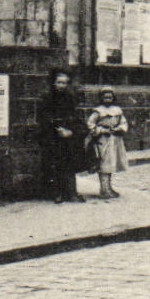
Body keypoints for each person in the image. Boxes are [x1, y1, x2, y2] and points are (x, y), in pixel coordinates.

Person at [39, 70, 87, 203]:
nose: (62, 85)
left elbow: (75, 117)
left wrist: (71, 131)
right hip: (52, 136)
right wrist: (56, 128)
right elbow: (44, 116)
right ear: (54, 83)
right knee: (54, 164)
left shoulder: (70, 98)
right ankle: (57, 193)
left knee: (69, 164)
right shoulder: (47, 98)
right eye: (59, 82)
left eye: (65, 83)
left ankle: (71, 192)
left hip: (68, 135)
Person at [88, 89, 130, 200]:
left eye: (110, 97)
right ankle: (104, 189)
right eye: (105, 97)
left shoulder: (117, 110)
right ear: (101, 98)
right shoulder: (97, 111)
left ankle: (109, 187)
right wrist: (101, 130)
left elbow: (123, 123)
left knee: (111, 164)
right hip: (103, 140)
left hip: (115, 140)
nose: (107, 99)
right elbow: (90, 124)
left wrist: (118, 128)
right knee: (103, 164)